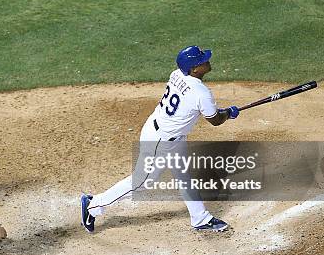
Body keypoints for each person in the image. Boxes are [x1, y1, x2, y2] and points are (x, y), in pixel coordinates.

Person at [81, 46, 240, 233]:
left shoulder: (177, 75)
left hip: (164, 132)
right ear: (195, 69)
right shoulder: (201, 92)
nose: (207, 61)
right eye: (203, 60)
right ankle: (93, 204)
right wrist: (228, 113)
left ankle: (200, 218)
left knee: (183, 175)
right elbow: (215, 121)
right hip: (161, 141)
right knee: (141, 182)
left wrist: (224, 113)